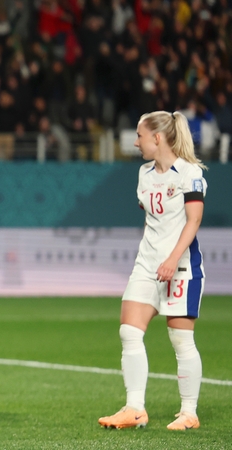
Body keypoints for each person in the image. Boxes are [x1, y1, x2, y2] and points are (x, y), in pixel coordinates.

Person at [98, 110, 208, 431]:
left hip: (182, 266)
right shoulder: (145, 174)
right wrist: (155, 257)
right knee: (129, 332)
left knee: (180, 340)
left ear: (157, 138)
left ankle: (189, 412)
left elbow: (194, 220)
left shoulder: (190, 173)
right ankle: (135, 409)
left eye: (139, 135)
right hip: (147, 264)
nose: (135, 142)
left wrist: (173, 258)